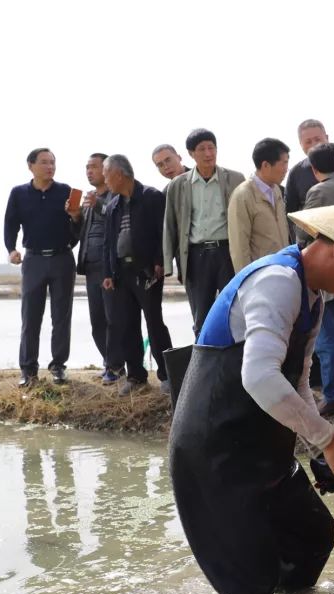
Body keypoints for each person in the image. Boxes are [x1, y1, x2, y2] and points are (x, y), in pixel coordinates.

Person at [168, 198, 334, 594]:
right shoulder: (276, 281)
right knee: (248, 582)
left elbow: (294, 381)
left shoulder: (311, 296)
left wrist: (318, 443)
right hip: (214, 450)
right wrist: (330, 440)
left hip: (260, 446)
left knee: (311, 534)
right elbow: (258, 376)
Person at [100, 155, 174, 396]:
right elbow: (109, 242)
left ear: (120, 174)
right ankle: (136, 376)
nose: (104, 179)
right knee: (126, 325)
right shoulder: (112, 205)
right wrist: (108, 272)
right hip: (122, 273)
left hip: (148, 272)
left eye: (106, 173)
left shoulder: (151, 197)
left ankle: (167, 375)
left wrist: (160, 261)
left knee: (154, 322)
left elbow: (162, 232)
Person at [4, 147, 77, 386]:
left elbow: (77, 229)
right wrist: (11, 249)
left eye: (53, 162)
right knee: (30, 317)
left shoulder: (66, 192)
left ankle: (58, 367)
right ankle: (28, 370)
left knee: (61, 316)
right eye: (45, 162)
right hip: (33, 260)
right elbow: (10, 225)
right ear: (31, 166)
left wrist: (76, 217)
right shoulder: (18, 193)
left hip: (62, 259)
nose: (50, 167)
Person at [162, 128, 246, 335]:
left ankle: (236, 364)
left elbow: (246, 219)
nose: (208, 153)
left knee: (235, 312)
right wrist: (168, 266)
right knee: (201, 317)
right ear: (191, 154)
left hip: (228, 253)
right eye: (202, 149)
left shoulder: (236, 179)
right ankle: (204, 365)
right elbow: (170, 225)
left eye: (212, 148)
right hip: (196, 257)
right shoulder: (178, 185)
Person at [297, 143, 334, 417]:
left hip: (328, 275)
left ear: (315, 169)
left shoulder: (318, 192)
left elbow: (304, 236)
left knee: (327, 339)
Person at [73, 153, 119, 383]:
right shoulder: (89, 200)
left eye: (94, 167)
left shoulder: (115, 196)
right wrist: (74, 217)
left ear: (107, 169)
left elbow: (116, 221)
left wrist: (98, 204)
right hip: (90, 266)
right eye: (87, 167)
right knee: (97, 321)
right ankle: (109, 363)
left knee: (114, 318)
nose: (89, 171)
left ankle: (116, 366)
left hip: (109, 267)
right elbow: (78, 235)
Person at [228, 138, 291, 272]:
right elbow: (239, 246)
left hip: (282, 269)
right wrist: (246, 280)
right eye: (283, 163)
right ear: (266, 165)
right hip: (260, 274)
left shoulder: (277, 190)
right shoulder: (243, 195)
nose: (286, 169)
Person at [285, 120, 328, 215]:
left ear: (327, 138)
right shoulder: (296, 173)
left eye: (318, 139)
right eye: (308, 142)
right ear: (301, 144)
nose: (314, 145)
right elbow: (290, 212)